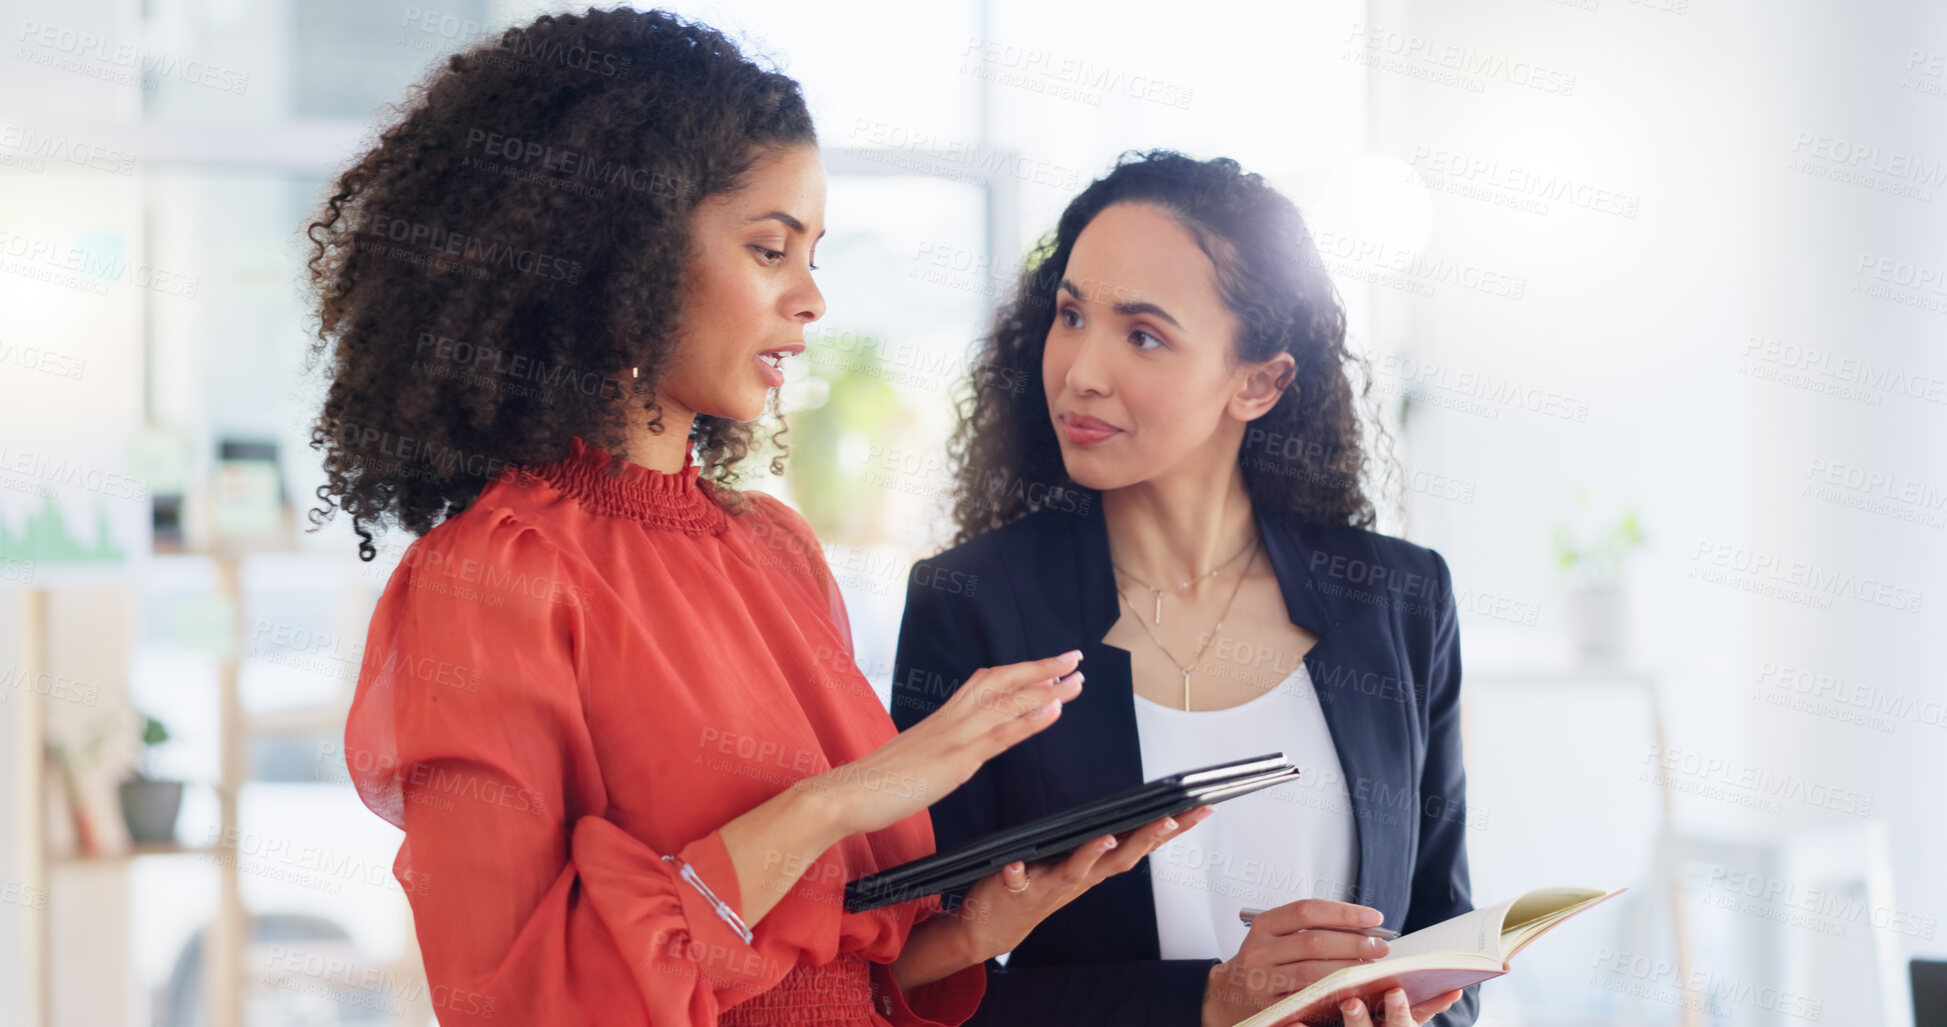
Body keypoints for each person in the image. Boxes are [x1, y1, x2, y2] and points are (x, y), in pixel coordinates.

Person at [304, 12, 1199, 1025]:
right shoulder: (493, 581)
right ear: (620, 256)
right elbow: (524, 1004)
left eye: (813, 253)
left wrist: (976, 931)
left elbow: (823, 977)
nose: (812, 298)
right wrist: (839, 801)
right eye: (771, 249)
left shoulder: (775, 552)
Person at [892, 151, 1477, 1027]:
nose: (1080, 370)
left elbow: (1445, 948)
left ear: (1259, 381)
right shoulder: (972, 604)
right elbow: (913, 980)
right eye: (1070, 314)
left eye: (1142, 334)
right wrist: (1209, 1002)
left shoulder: (1400, 599)